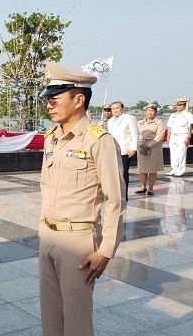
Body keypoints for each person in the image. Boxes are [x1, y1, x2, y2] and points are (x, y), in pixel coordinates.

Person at [38, 62, 125, 336]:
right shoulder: (51, 139)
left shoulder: (98, 141)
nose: (49, 105)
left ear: (78, 100)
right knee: (51, 320)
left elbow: (115, 199)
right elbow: (45, 186)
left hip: (78, 244)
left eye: (55, 99)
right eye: (48, 100)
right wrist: (42, 229)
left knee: (76, 323)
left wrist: (105, 250)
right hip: (49, 237)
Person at [107, 101, 138, 200]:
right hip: (113, 149)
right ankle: (114, 193)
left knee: (123, 172)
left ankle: (124, 194)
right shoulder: (110, 121)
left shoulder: (129, 118)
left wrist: (133, 148)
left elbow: (135, 135)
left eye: (117, 108)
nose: (115, 110)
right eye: (113, 109)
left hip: (125, 149)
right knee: (113, 173)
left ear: (122, 108)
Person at [135, 104, 165, 196]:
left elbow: (159, 136)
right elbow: (134, 135)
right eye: (148, 110)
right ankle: (143, 187)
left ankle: (151, 188)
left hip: (153, 146)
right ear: (145, 112)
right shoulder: (139, 122)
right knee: (142, 168)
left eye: (152, 111)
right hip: (141, 145)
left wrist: (149, 146)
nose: (150, 112)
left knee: (152, 169)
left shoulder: (159, 122)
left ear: (155, 112)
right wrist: (141, 145)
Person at [166, 98, 192, 176]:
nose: (179, 107)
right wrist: (168, 137)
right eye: (177, 105)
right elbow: (169, 127)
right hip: (173, 135)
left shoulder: (188, 115)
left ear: (184, 105)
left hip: (182, 135)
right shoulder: (173, 115)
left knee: (181, 153)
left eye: (180, 105)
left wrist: (188, 137)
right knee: (173, 153)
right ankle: (174, 169)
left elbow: (189, 127)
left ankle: (181, 170)